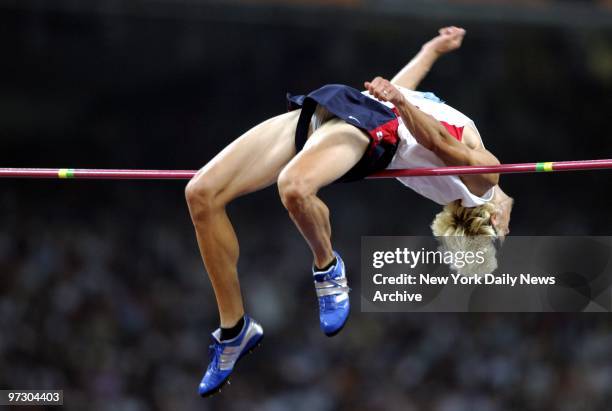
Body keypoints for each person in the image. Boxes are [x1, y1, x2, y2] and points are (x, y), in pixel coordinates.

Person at [185, 26, 514, 397]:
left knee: (294, 188)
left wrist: (399, 101)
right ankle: (234, 331)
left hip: (371, 129)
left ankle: (327, 266)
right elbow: (400, 88)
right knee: (201, 194)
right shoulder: (483, 184)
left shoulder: (482, 173)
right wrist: (431, 50)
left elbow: (432, 137)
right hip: (341, 105)